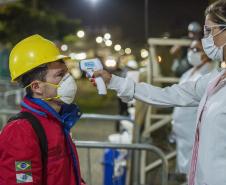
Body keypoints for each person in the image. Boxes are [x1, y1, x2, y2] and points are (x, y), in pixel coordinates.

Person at [92, 1, 226, 184]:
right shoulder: (215, 79)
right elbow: (168, 94)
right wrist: (115, 82)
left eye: (210, 31)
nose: (206, 39)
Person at [0, 35, 86, 185]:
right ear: (36, 87)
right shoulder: (21, 132)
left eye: (67, 72)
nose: (68, 79)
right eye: (60, 75)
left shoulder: (57, 121)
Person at [171, 40, 214, 176]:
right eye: (190, 49)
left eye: (196, 49)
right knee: (187, 172)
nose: (191, 52)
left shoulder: (209, 74)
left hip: (194, 131)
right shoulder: (188, 73)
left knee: (197, 172)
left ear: (206, 52)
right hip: (182, 132)